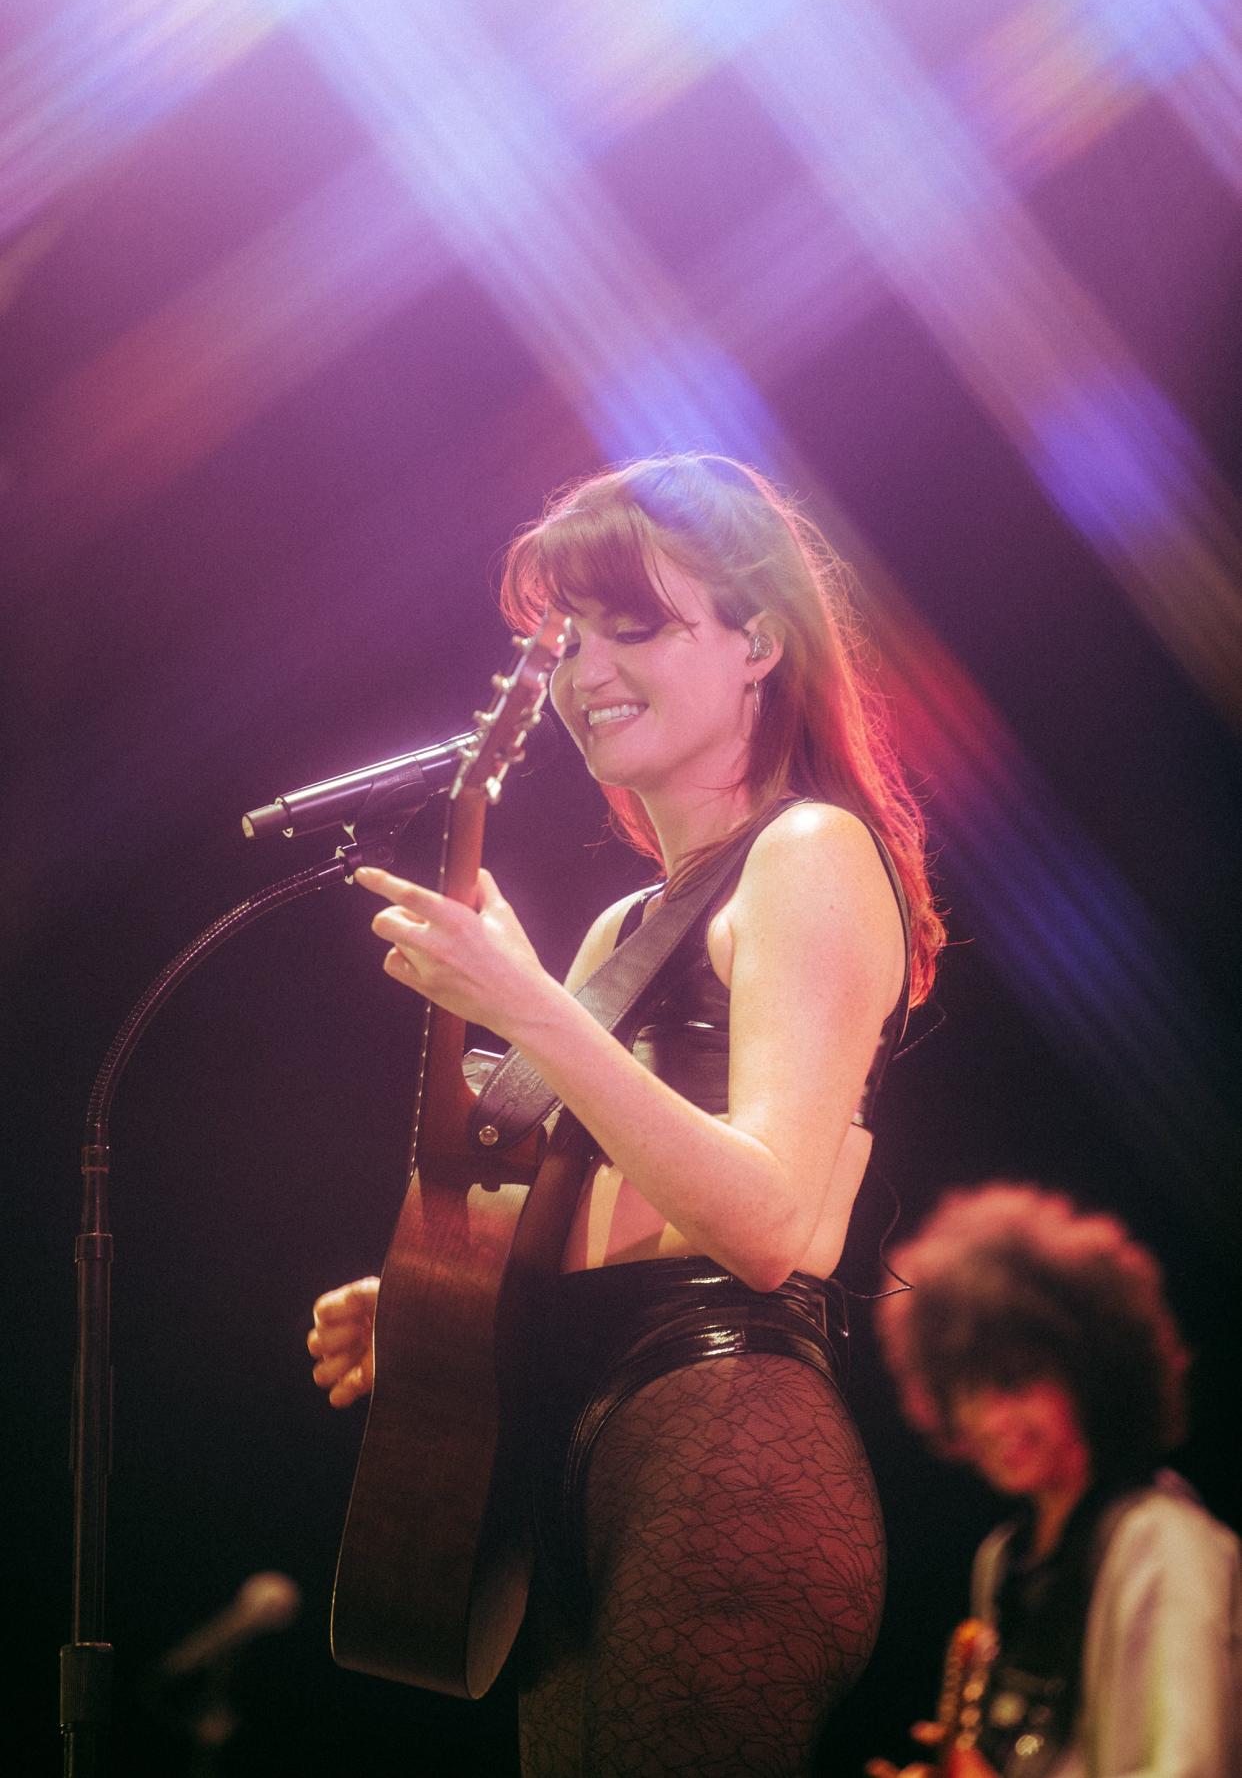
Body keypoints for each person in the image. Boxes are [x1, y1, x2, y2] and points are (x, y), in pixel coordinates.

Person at [306, 452, 944, 1776]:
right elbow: (612, 1191)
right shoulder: (620, 925)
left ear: (756, 638)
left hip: (722, 1439)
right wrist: (442, 1298)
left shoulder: (807, 853)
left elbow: (762, 1215)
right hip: (577, 1452)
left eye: (630, 622)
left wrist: (532, 1008)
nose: (582, 665)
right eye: (565, 634)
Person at [866, 1184, 1241, 1778]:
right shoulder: (1002, 1560)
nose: (991, 1420)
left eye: (1016, 1383)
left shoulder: (1166, 1544)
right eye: (969, 1391)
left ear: (1089, 1375)